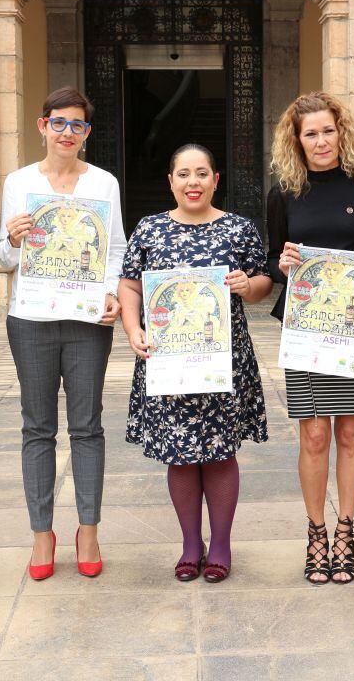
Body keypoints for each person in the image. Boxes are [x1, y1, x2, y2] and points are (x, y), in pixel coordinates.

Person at [117, 143, 271, 583]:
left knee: (220, 453)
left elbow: (263, 282)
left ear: (215, 179)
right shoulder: (149, 229)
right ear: (170, 181)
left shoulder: (238, 229)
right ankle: (190, 544)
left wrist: (248, 284)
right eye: (183, 174)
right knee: (180, 456)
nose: (193, 182)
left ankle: (220, 544)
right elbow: (129, 287)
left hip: (223, 359)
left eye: (201, 173)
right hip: (168, 360)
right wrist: (132, 329)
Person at [0, 87, 127, 580]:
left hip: (87, 318)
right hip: (30, 316)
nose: (67, 132)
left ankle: (88, 529)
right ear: (42, 126)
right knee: (37, 426)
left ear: (87, 133)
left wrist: (114, 291)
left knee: (87, 424)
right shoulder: (19, 181)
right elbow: (5, 259)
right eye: (59, 123)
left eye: (77, 125)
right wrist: (10, 238)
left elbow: (115, 246)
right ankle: (41, 533)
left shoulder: (104, 184)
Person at [266, 91, 354, 585]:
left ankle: (345, 531)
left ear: (342, 133)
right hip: (307, 330)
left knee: (351, 432)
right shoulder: (283, 193)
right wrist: (283, 263)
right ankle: (316, 532)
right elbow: (273, 261)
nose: (321, 141)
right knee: (314, 433)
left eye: (328, 130)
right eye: (310, 133)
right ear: (297, 140)